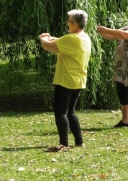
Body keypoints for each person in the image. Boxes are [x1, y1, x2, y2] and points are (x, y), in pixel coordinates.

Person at [39, 10, 92, 152]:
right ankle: (79, 141)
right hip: (78, 80)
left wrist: (43, 39)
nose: (67, 23)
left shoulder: (71, 39)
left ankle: (64, 143)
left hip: (66, 80)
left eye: (69, 21)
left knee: (60, 112)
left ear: (75, 24)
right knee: (70, 112)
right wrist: (51, 37)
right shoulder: (84, 37)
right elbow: (60, 41)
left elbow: (50, 46)